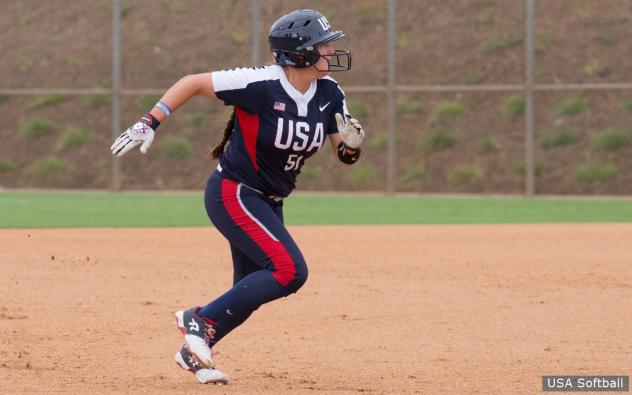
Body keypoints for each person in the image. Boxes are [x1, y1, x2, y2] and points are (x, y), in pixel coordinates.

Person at [110, 9, 365, 385]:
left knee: (250, 290)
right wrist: (151, 120)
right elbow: (193, 82)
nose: (330, 51)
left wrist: (353, 147)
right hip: (234, 192)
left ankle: (195, 351)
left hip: (269, 201)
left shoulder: (329, 93)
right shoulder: (261, 83)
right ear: (299, 54)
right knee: (291, 271)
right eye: (322, 45)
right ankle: (198, 319)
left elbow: (343, 153)